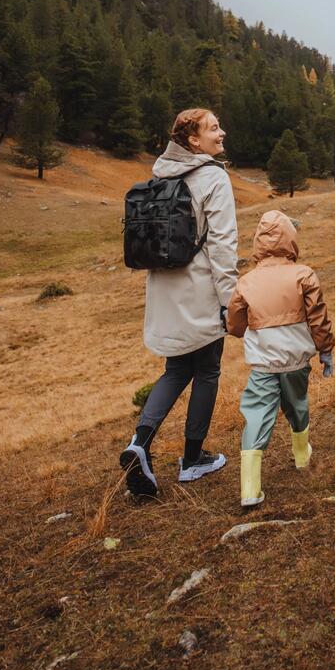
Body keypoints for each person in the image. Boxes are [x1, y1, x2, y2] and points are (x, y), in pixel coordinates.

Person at [120, 108, 239, 497]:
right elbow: (222, 245)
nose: (222, 133)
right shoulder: (213, 178)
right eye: (213, 128)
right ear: (193, 141)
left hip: (165, 291)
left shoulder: (162, 175)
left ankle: (140, 443)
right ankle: (192, 459)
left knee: (175, 369)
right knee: (207, 369)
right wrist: (229, 301)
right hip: (201, 290)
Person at [224, 210, 335, 508]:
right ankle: (301, 456)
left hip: (263, 363)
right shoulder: (304, 274)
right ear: (290, 239)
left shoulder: (246, 282)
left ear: (258, 242)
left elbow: (235, 326)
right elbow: (318, 318)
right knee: (297, 405)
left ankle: (250, 489)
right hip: (296, 360)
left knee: (257, 415)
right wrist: (326, 350)